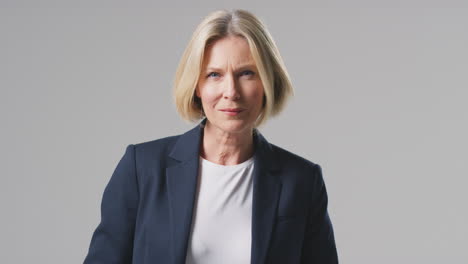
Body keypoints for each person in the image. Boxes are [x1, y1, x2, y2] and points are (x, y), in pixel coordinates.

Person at [83, 9, 338, 264]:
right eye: (214, 75)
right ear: (197, 86)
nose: (231, 91)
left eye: (247, 73)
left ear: (268, 82)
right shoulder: (142, 168)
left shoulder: (302, 181)